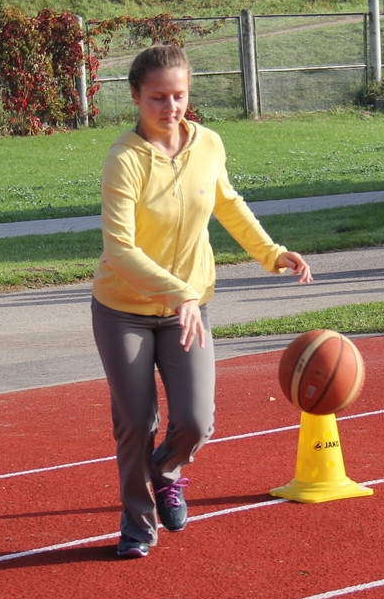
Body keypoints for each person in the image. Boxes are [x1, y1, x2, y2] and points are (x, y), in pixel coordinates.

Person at [92, 45, 313, 559]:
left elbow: (228, 204)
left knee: (196, 420)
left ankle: (166, 470)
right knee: (135, 420)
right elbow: (119, 249)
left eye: (179, 96)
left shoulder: (208, 144)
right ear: (134, 97)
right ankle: (137, 522)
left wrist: (272, 253)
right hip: (123, 308)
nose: (170, 108)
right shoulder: (124, 159)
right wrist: (180, 292)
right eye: (157, 98)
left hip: (185, 310)